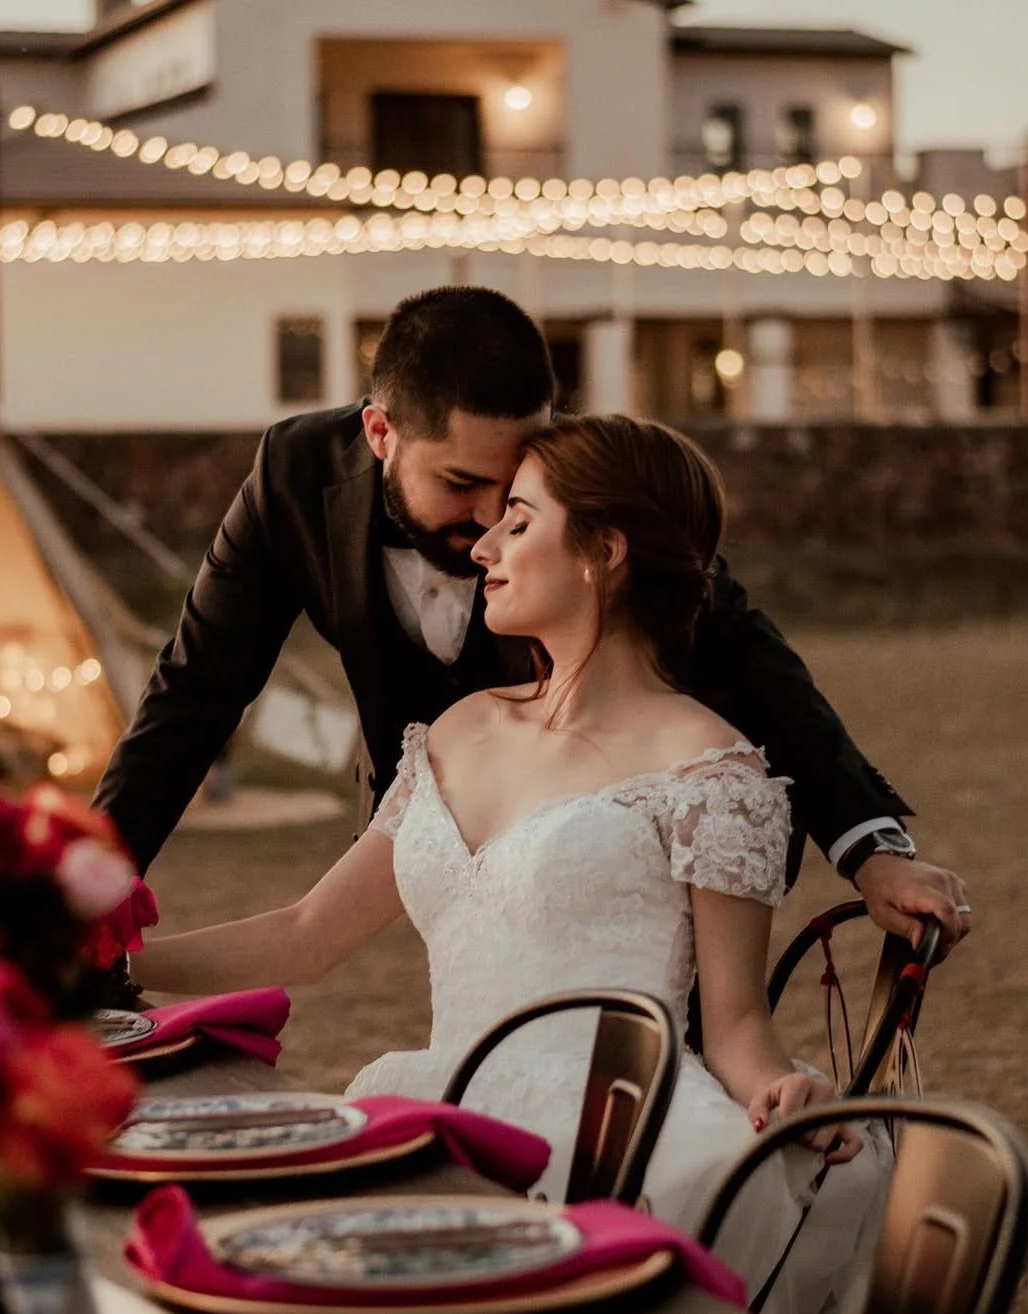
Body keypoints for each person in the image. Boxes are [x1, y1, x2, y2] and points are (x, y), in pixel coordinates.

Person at [132, 415, 889, 1314]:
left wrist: (777, 1091)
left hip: (618, 1143)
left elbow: (733, 1027)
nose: (485, 542)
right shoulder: (458, 730)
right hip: (436, 1110)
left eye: (520, 521)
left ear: (602, 552)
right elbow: (308, 935)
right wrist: (105, 961)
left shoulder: (712, 775)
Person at [94, 285, 969, 951]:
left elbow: (745, 648)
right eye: (461, 485)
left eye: (513, 492)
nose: (488, 524)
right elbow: (195, 691)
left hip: (630, 850)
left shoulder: (580, 482)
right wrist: (87, 885)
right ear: (378, 432)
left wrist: (872, 849)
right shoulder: (291, 475)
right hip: (443, 835)